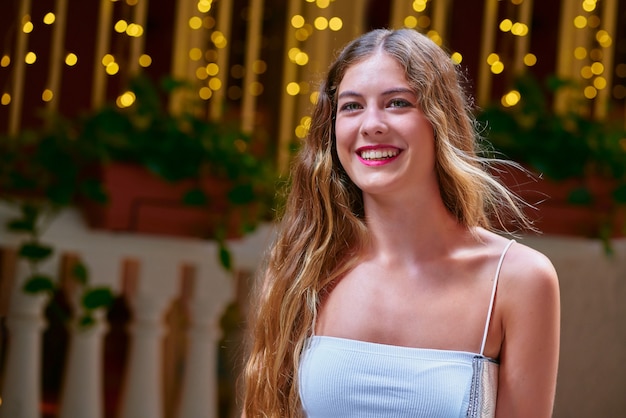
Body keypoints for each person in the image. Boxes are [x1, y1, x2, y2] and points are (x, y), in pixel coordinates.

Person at [241, 28, 560, 418]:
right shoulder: (306, 264)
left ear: (439, 120)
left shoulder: (519, 279)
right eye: (352, 106)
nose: (371, 124)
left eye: (397, 103)